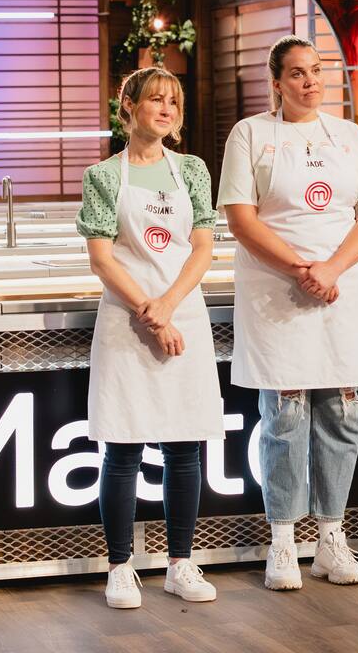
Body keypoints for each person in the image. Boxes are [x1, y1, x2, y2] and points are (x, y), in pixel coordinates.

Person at [218, 35, 358, 591]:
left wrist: (331, 270)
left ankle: (331, 537)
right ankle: (284, 540)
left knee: (342, 413)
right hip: (277, 294)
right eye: (296, 73)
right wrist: (300, 271)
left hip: (342, 289)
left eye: (315, 70)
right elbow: (241, 218)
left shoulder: (349, 135)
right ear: (277, 82)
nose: (310, 81)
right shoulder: (250, 134)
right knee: (284, 418)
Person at [77, 67, 224, 608]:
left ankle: (180, 564)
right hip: (127, 323)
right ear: (129, 107)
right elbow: (102, 259)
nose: (165, 109)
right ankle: (120, 567)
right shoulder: (102, 176)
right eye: (155, 100)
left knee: (184, 448)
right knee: (123, 448)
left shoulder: (192, 170)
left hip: (184, 315)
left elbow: (203, 247)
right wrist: (151, 313)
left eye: (173, 102)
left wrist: (168, 306)